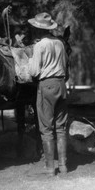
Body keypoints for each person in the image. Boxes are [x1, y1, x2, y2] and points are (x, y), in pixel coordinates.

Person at [27, 12, 69, 176]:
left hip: (46, 85)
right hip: (61, 84)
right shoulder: (60, 43)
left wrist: (30, 60)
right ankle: (64, 166)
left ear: (38, 30)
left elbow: (34, 71)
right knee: (61, 127)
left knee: (46, 128)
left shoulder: (39, 46)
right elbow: (65, 66)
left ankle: (50, 168)